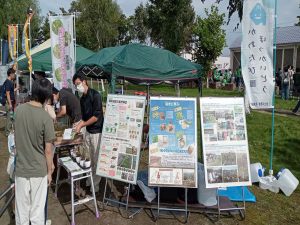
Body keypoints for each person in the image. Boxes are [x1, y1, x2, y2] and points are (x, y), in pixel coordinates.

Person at [14, 78, 56, 225]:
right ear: (46, 97)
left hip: (21, 168)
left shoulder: (18, 111)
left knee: (22, 212)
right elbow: (48, 150)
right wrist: (50, 172)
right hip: (39, 170)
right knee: (37, 213)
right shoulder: (46, 117)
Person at [72, 74, 103, 192]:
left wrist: (82, 124)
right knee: (88, 157)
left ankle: (95, 185)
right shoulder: (82, 99)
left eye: (78, 84)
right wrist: (78, 123)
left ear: (84, 82)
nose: (77, 86)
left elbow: (96, 116)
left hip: (97, 132)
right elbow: (84, 118)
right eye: (75, 85)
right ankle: (90, 180)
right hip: (88, 131)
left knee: (96, 158)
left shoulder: (96, 95)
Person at [1, 68, 18, 136]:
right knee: (10, 118)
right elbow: (7, 93)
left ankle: (8, 130)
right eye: (14, 74)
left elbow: (10, 91)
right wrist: (10, 104)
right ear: (10, 74)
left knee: (11, 117)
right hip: (9, 102)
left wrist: (16, 89)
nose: (14, 75)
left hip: (9, 102)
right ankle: (7, 132)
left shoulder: (8, 82)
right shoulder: (9, 82)